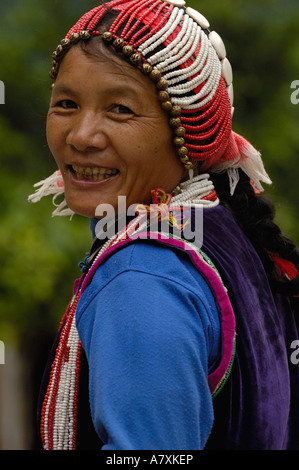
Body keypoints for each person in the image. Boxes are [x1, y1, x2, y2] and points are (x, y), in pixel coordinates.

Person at [29, 0, 299, 450]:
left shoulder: (141, 276)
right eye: (67, 103)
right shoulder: (220, 224)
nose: (80, 135)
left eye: (119, 109)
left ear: (186, 133)